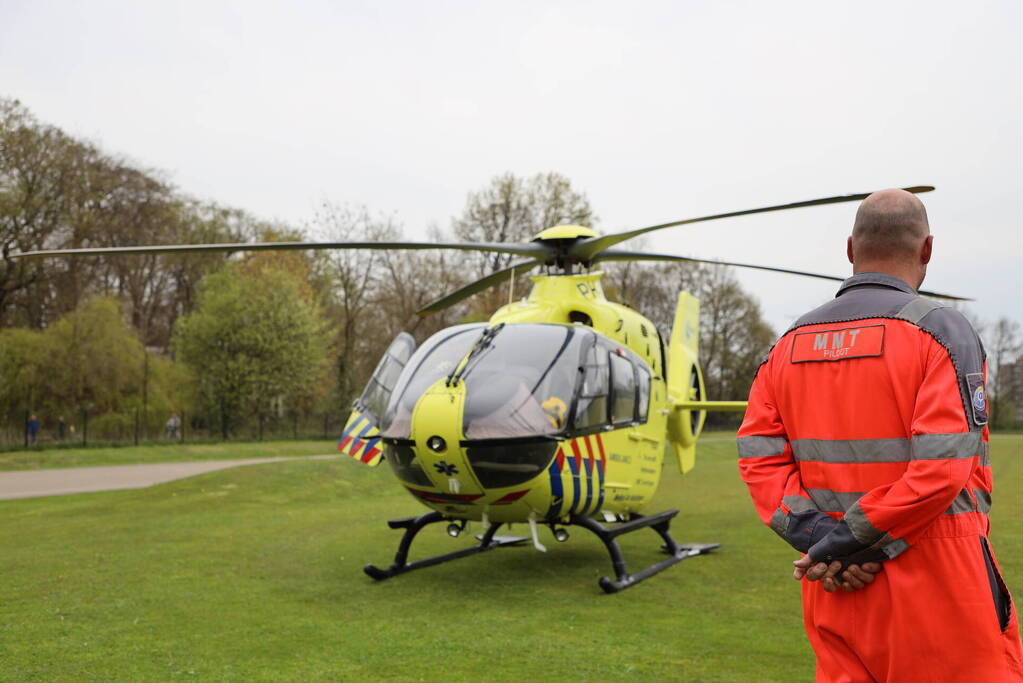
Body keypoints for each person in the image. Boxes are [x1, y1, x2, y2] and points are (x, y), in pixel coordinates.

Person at [737, 189, 1023, 681]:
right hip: (937, 583)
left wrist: (824, 542)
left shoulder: (787, 344)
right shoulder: (941, 331)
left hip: (834, 587)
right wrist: (852, 545)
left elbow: (758, 457)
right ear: (927, 249)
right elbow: (941, 469)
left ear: (851, 249)